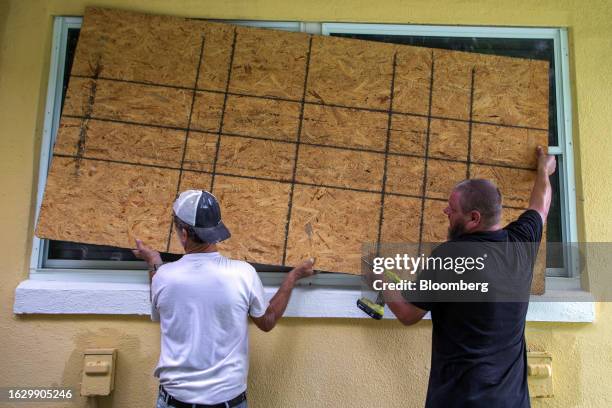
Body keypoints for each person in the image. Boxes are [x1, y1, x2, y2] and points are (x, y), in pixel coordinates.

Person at [383, 146, 556, 407]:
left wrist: (378, 276)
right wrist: (544, 170)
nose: (446, 212)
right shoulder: (521, 242)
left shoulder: (451, 257)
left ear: (474, 218)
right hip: (511, 402)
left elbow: (408, 314)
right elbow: (540, 207)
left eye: (452, 209)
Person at [133, 189, 315, 408]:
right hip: (228, 401)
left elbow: (161, 304)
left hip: (174, 400)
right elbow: (267, 321)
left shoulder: (163, 277)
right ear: (216, 229)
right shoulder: (242, 274)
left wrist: (153, 260)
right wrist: (292, 277)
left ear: (183, 233)